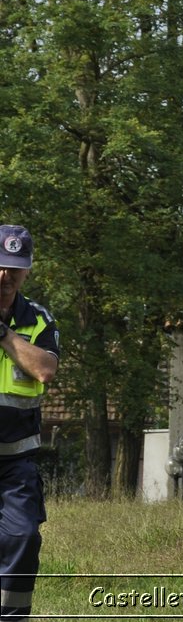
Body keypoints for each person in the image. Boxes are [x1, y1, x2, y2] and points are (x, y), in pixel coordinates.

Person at [0, 226, 58, 622]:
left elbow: (45, 370)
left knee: (22, 537)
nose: (6, 276)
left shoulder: (37, 319)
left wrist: (3, 334)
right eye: (0, 267)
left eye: (15, 269)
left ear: (28, 271)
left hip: (15, 464)